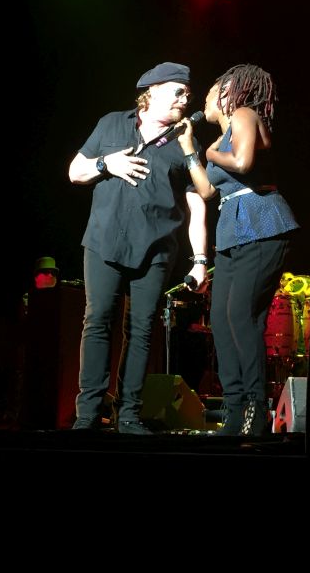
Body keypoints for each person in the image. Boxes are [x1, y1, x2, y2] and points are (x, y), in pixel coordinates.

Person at [68, 62, 208, 435]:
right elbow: (75, 172)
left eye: (187, 94)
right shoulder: (113, 124)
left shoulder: (185, 143)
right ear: (153, 91)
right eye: (178, 91)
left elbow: (198, 204)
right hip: (104, 241)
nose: (185, 99)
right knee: (98, 321)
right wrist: (106, 163)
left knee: (142, 329)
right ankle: (88, 414)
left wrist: (199, 260)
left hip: (156, 250)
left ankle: (128, 414)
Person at [179, 63, 299, 436]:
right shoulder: (221, 137)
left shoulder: (245, 114)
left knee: (241, 316)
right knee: (222, 319)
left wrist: (211, 153)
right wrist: (190, 150)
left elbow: (244, 163)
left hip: (261, 224)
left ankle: (255, 409)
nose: (205, 98)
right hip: (232, 231)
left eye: (211, 90)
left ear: (230, 91)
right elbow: (206, 190)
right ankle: (234, 411)